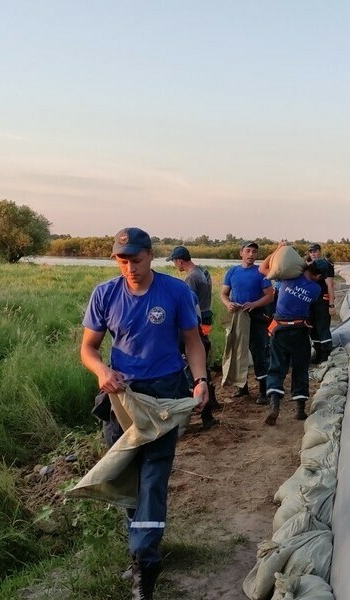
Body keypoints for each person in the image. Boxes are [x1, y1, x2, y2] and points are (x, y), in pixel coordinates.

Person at [80, 227, 208, 600]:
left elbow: (192, 341)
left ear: (151, 255)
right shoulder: (105, 294)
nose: (130, 267)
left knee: (153, 478)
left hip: (164, 397)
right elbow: (89, 348)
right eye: (122, 260)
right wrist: (102, 371)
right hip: (122, 398)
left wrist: (200, 381)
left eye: (135, 259)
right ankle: (140, 552)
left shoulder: (175, 292)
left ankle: (145, 569)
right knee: (127, 478)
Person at [259, 254, 323, 425]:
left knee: (277, 367)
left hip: (279, 329)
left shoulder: (287, 278)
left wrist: (277, 251)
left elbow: (262, 269)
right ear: (318, 276)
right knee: (300, 368)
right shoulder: (315, 289)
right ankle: (300, 410)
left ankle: (274, 405)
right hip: (299, 331)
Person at [167, 245, 220, 429]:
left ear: (179, 260)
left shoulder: (189, 280)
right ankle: (210, 406)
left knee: (192, 373)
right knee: (202, 366)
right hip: (204, 323)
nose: (175, 265)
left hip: (194, 328)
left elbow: (187, 308)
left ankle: (202, 415)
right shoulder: (203, 272)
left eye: (174, 262)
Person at [220, 241, 274, 403]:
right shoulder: (232, 272)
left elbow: (269, 296)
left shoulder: (261, 273)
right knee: (239, 352)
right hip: (238, 316)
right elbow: (223, 294)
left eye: (254, 252)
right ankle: (242, 388)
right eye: (248, 251)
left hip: (256, 316)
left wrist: (254, 304)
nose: (251, 254)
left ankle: (263, 392)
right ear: (241, 253)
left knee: (258, 353)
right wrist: (228, 303)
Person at [305, 243, 336, 364]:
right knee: (312, 328)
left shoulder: (326, 266)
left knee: (322, 327)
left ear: (320, 251)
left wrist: (331, 305)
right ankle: (318, 353)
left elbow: (330, 285)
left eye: (315, 251)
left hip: (322, 300)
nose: (313, 254)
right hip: (311, 301)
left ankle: (326, 353)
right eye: (311, 252)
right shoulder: (309, 265)